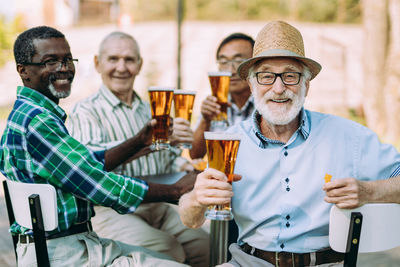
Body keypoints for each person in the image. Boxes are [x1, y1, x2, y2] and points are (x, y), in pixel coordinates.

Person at [179, 21, 400, 267]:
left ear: (306, 84)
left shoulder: (348, 136)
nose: (278, 88)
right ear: (252, 85)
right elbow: (190, 220)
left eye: (290, 75)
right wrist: (197, 199)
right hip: (248, 262)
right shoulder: (228, 142)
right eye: (266, 76)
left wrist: (370, 192)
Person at [0, 25, 191, 266]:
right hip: (61, 253)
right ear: (24, 71)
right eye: (50, 61)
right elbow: (95, 183)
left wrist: (139, 141)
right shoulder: (37, 121)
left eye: (68, 59)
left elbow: (84, 165)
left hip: (72, 244)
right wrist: (176, 191)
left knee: (167, 255)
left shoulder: (30, 113)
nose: (64, 68)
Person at [67, 31, 209, 266]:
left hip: (159, 206)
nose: (121, 67)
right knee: (169, 250)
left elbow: (168, 160)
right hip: (112, 211)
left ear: (140, 65)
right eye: (113, 59)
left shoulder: (151, 110)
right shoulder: (86, 111)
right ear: (97, 63)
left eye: (129, 60)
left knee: (204, 244)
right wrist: (145, 143)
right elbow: (94, 164)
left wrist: (182, 161)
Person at [190, 33, 255, 159]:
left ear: (255, 64)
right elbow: (195, 155)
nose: (231, 70)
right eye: (224, 62)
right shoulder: (216, 104)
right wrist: (205, 120)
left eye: (239, 61)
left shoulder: (268, 103)